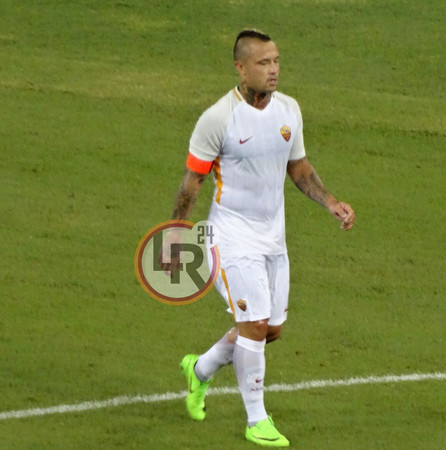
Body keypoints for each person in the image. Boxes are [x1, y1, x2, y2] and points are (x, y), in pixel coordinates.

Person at [163, 29, 355, 448]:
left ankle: (199, 369)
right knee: (252, 325)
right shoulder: (218, 119)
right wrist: (176, 235)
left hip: (273, 238)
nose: (273, 70)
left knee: (270, 330)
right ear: (240, 67)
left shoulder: (289, 110)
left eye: (276, 61)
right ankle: (256, 420)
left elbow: (298, 168)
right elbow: (193, 182)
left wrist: (330, 202)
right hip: (229, 236)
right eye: (263, 63)